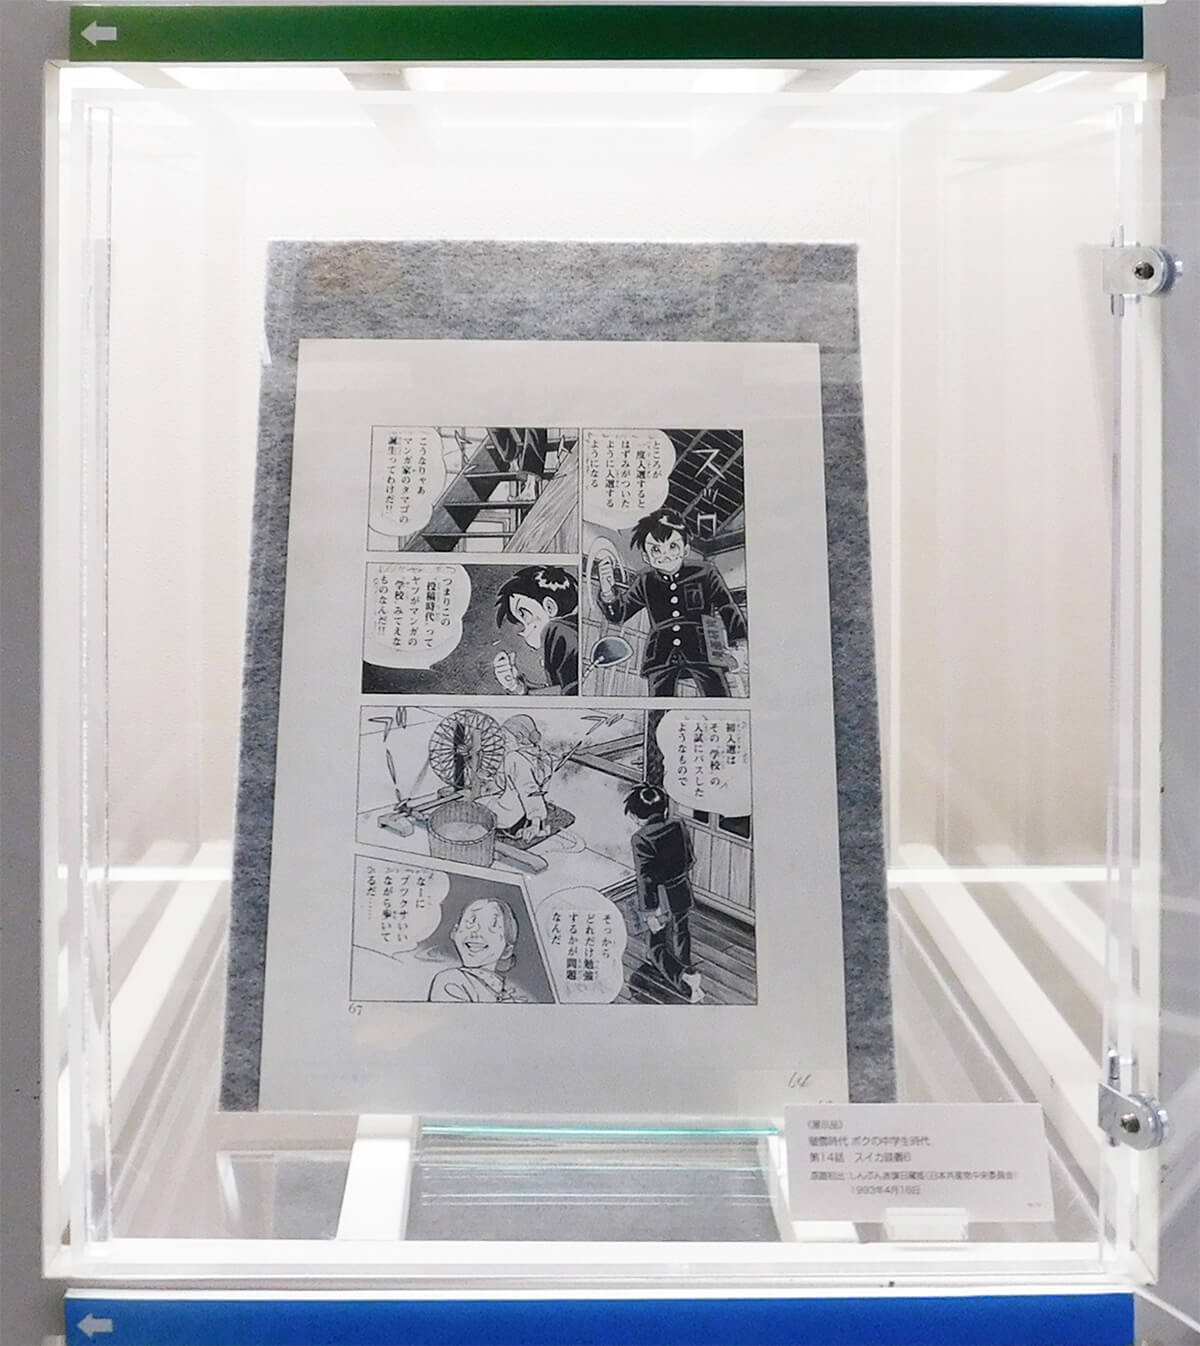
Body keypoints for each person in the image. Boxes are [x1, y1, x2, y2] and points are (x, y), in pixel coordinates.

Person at [596, 509, 747, 697]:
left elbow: (727, 607)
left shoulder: (705, 572)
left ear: (685, 549)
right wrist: (607, 591)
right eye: (656, 550)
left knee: (718, 700)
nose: (665, 555)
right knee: (658, 706)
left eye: (672, 547)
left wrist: (739, 647)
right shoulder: (645, 580)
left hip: (706, 649)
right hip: (661, 655)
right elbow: (620, 614)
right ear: (646, 556)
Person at [624, 784, 703, 1004]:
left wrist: (649, 912)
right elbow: (690, 859)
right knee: (681, 933)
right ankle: (686, 967)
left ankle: (684, 979)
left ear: (636, 815)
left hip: (660, 898)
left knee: (655, 946)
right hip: (682, 889)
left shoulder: (640, 838)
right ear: (664, 809)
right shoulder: (678, 825)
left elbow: (646, 879)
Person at [492, 566, 579, 695]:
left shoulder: (559, 631)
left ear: (550, 607)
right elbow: (562, 691)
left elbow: (569, 695)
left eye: (524, 615)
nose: (523, 631)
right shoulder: (566, 633)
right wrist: (516, 686)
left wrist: (519, 690)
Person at [428, 897, 532, 1003]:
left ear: (507, 950)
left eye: (491, 926)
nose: (476, 931)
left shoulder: (503, 990)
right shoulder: (450, 980)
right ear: (455, 932)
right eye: (470, 922)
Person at [480, 715, 553, 841]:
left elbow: (530, 791)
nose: (503, 744)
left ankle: (519, 828)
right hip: (525, 813)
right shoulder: (543, 756)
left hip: (511, 815)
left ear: (518, 738)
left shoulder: (514, 758)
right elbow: (513, 783)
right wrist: (491, 775)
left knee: (474, 807)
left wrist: (535, 825)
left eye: (506, 739)